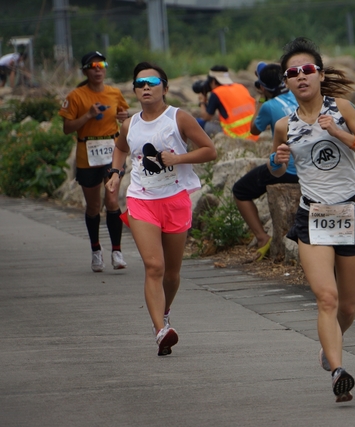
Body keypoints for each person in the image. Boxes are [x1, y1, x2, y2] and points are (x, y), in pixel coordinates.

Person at [269, 37, 355, 402]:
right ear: (286, 82)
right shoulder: (284, 126)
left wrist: (337, 131)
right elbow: (276, 167)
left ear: (319, 74)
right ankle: (338, 371)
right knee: (327, 299)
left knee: (348, 307)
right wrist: (277, 162)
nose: (300, 77)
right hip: (312, 215)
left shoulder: (342, 108)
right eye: (292, 73)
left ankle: (329, 347)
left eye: (306, 70)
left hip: (349, 211)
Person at [106, 62, 217, 356]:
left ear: (165, 89)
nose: (145, 87)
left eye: (152, 82)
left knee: (172, 273)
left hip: (175, 199)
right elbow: (120, 148)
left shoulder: (178, 118)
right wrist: (115, 174)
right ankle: (160, 330)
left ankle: (165, 311)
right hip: (141, 199)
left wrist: (177, 159)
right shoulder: (130, 124)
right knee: (154, 266)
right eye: (139, 83)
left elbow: (210, 150)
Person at [59, 51, 130, 272]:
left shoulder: (114, 93)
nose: (98, 69)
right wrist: (88, 115)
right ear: (85, 71)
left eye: (101, 64)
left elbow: (124, 115)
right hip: (87, 154)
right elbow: (67, 128)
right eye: (93, 66)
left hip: (112, 151)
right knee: (93, 206)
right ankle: (96, 251)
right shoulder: (76, 96)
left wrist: (124, 117)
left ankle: (117, 251)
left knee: (112, 201)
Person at [232, 62, 299, 261]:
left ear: (262, 87)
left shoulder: (269, 106)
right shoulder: (299, 96)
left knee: (240, 191)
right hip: (310, 166)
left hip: (287, 169)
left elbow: (254, 130)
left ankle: (262, 238)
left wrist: (259, 101)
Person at [198, 65, 259, 141]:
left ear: (213, 81)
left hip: (234, 136)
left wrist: (202, 102)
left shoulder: (216, 93)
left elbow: (206, 117)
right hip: (254, 135)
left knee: (197, 123)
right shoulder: (240, 87)